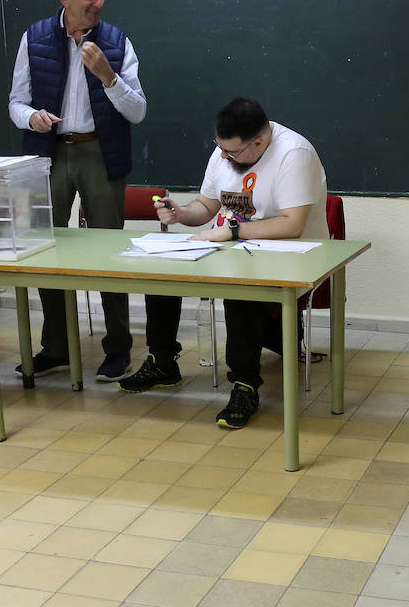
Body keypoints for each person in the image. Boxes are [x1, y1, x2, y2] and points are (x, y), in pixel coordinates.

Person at [136, 97, 327, 429]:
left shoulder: (294, 154)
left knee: (241, 287)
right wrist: (181, 213)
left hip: (286, 253)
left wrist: (232, 231)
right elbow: (207, 207)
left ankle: (244, 384)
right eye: (219, 148)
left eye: (233, 153)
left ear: (259, 142)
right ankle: (163, 362)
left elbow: (292, 224)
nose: (224, 157)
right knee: (163, 270)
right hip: (233, 244)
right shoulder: (226, 148)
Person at [8, 0, 147, 383]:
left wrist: (109, 76)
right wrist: (31, 118)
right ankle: (57, 347)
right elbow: (16, 102)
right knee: (47, 250)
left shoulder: (117, 42)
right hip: (48, 155)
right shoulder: (35, 38)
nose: (98, 2)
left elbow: (138, 111)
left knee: (108, 253)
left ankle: (118, 349)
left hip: (99, 154)